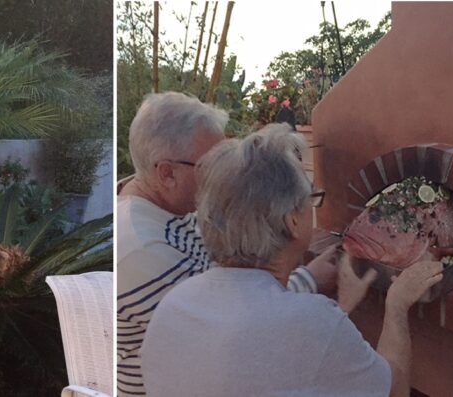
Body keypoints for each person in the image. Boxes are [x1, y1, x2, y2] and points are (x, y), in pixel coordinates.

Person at [141, 130, 444, 397]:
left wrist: (338, 312)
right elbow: (395, 391)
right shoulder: (308, 322)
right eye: (310, 198)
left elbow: (271, 366)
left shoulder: (174, 304)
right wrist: (397, 305)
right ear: (293, 221)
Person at [116, 93, 338, 396]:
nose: (224, 175)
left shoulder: (170, 207)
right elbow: (230, 327)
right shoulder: (141, 249)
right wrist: (311, 279)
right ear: (166, 172)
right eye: (212, 164)